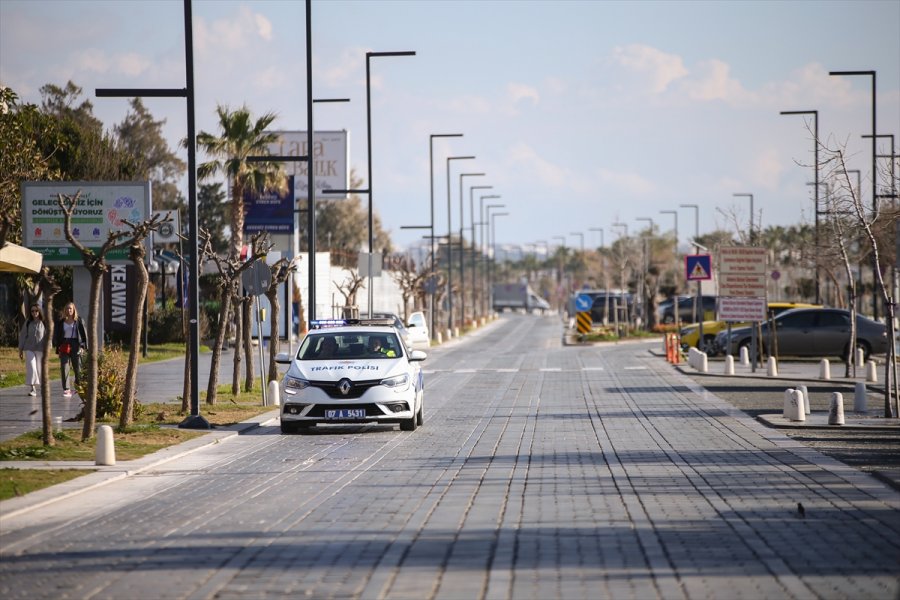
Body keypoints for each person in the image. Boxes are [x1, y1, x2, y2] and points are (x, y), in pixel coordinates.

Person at [53, 301, 87, 397]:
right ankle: (66, 389)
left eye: (70, 308)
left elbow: (84, 335)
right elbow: (57, 334)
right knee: (64, 366)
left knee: (78, 367)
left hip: (76, 344)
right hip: (64, 344)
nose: (69, 310)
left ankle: (78, 386)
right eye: (67, 308)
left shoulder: (79, 320)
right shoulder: (61, 322)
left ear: (74, 310)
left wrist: (82, 347)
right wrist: (58, 345)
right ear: (65, 310)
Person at [18, 303, 46, 397]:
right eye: (32, 311)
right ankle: (33, 388)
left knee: (39, 369)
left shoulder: (44, 322)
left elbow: (48, 336)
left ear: (39, 311)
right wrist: (20, 349)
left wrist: (48, 348)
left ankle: (43, 388)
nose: (34, 312)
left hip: (40, 349)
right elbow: (22, 336)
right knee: (31, 367)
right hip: (29, 348)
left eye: (36, 310)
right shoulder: (28, 322)